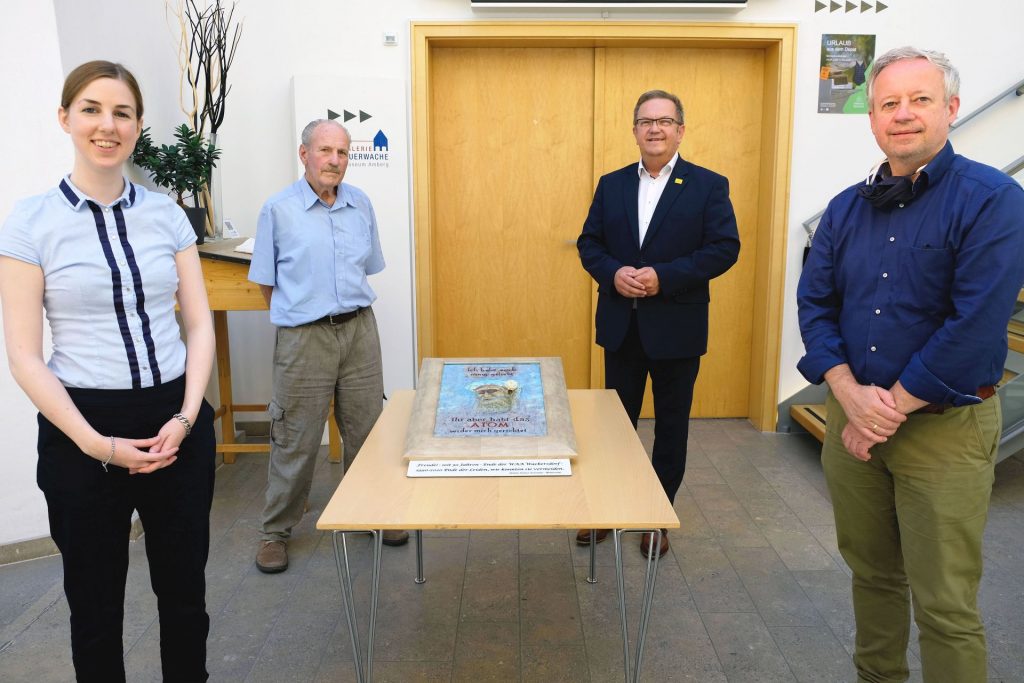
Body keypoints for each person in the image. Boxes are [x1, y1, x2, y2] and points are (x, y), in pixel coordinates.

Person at [798, 46, 1024, 682]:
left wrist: (883, 410)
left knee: (945, 604)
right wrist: (847, 391)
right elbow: (815, 304)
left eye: (919, 100)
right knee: (872, 578)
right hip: (854, 425)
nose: (903, 115)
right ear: (871, 119)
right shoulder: (845, 208)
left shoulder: (993, 200)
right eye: (888, 103)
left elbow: (975, 324)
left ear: (950, 109)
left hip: (942, 433)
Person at [0, 61, 217, 682]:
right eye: (92, 109)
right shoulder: (30, 222)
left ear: (139, 127)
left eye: (122, 113)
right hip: (82, 427)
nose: (107, 125)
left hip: (176, 418)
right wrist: (96, 444)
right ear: (65, 118)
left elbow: (198, 325)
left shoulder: (166, 216)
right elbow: (23, 354)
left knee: (185, 595)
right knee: (94, 607)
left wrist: (185, 414)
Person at [577, 90, 740, 558]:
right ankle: (608, 510)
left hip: (677, 330)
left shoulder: (709, 185)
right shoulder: (611, 184)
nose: (655, 129)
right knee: (615, 428)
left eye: (665, 121)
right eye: (646, 121)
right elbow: (591, 244)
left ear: (680, 130)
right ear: (634, 130)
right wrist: (613, 272)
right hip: (621, 327)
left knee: (670, 427)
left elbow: (724, 249)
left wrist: (663, 277)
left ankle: (656, 517)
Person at [249, 118, 407, 574]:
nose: (334, 161)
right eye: (324, 151)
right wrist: (299, 315)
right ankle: (275, 532)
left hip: (359, 331)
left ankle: (368, 513)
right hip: (304, 338)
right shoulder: (277, 210)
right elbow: (266, 283)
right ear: (304, 155)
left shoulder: (361, 204)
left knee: (366, 430)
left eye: (342, 152)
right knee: (296, 438)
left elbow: (368, 266)